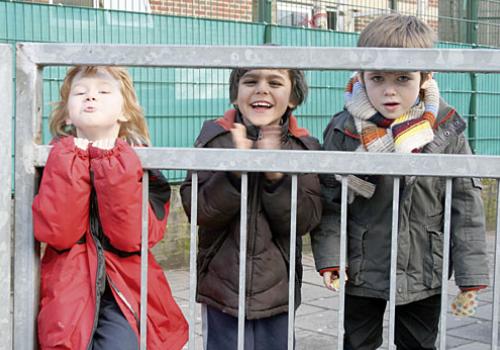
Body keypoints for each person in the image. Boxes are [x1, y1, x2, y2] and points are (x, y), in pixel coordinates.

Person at [310, 14, 490, 350]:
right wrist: (332, 257)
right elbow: (330, 200)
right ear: (361, 74)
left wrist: (471, 275)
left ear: (425, 77)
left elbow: (465, 204)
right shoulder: (344, 128)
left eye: (403, 78)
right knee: (358, 343)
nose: (389, 90)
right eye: (377, 77)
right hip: (361, 267)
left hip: (424, 265)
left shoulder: (446, 128)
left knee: (419, 345)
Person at [33, 66, 188, 350]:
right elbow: (59, 233)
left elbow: (131, 237)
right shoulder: (53, 161)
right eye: (80, 93)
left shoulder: (143, 168)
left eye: (103, 92)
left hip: (126, 290)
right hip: (67, 288)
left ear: (125, 112)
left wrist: (110, 163)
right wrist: (72, 159)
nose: (91, 97)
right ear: (67, 113)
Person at [180, 68, 322, 349]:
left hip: (278, 292)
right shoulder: (215, 141)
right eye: (250, 81)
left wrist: (275, 176)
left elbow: (305, 218)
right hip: (221, 290)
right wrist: (235, 172)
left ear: (292, 97)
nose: (261, 89)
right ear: (235, 94)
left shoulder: (303, 148)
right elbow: (199, 209)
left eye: (275, 82)